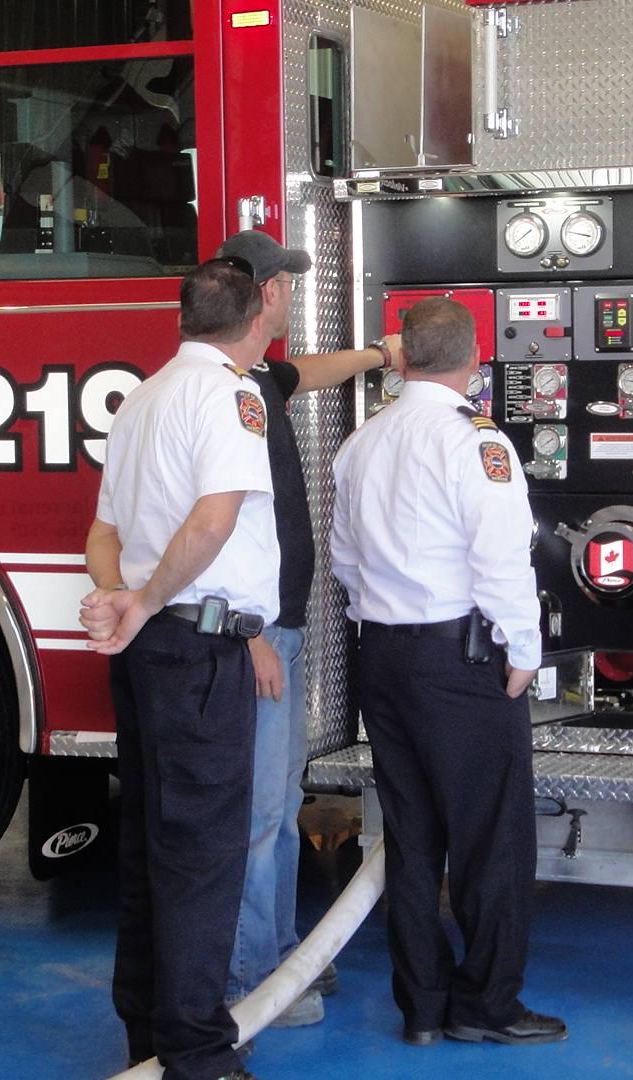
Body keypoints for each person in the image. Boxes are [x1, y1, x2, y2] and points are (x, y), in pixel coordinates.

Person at [328, 296, 567, 1048]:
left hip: (383, 656)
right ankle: (486, 1005)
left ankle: (423, 1009)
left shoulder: (361, 443)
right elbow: (501, 557)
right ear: (475, 358)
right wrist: (523, 649)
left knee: (411, 838)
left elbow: (343, 559)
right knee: (491, 839)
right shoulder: (477, 441)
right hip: (460, 663)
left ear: (402, 357)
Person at [79, 257, 284, 1080]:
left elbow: (102, 533)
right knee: (201, 855)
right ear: (256, 318)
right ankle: (197, 1055)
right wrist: (146, 599)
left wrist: (121, 598)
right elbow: (214, 520)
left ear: (182, 318)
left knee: (149, 844)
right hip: (198, 649)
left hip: (150, 650)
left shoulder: (142, 397)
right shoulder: (232, 396)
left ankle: (150, 1033)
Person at [211, 229, 400, 1028]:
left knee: (281, 807)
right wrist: (251, 630)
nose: (292, 292)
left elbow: (309, 373)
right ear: (266, 293)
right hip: (252, 635)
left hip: (279, 630)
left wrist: (381, 356)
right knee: (257, 816)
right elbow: (213, 528)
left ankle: (283, 956)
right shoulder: (222, 394)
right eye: (286, 282)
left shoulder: (260, 376)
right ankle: (249, 982)